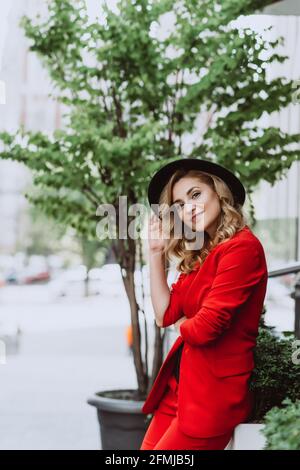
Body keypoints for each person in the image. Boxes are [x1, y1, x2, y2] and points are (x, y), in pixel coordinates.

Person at [139, 158, 268, 450]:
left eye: (195, 195)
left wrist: (182, 326)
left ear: (218, 192)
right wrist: (155, 253)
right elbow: (164, 314)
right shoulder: (201, 254)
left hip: (211, 398)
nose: (189, 208)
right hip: (179, 389)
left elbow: (205, 330)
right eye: (180, 204)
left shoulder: (242, 249)